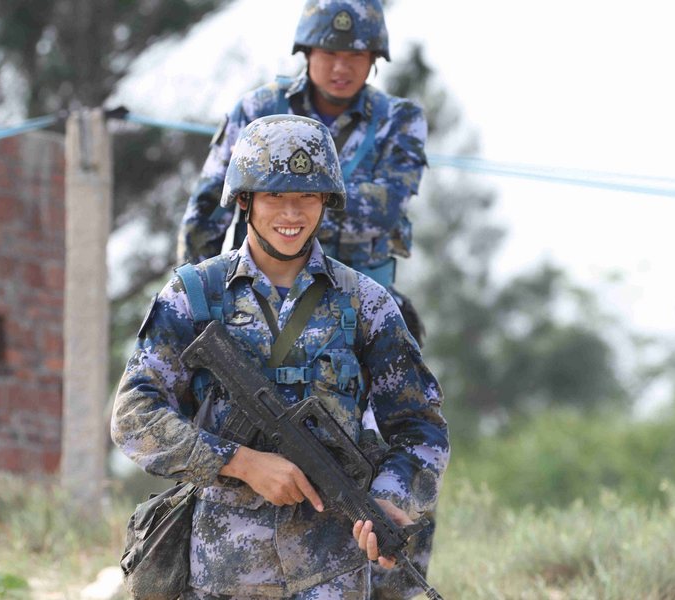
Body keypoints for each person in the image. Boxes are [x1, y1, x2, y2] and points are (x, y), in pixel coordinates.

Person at [113, 115, 448, 599]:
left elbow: (422, 428)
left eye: (307, 197)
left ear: (326, 202)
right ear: (244, 200)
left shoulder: (366, 303)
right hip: (221, 574)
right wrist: (241, 462)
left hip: (332, 574)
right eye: (273, 196)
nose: (291, 213)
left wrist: (388, 499)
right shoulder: (194, 296)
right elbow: (133, 418)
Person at [177, 0, 429, 347]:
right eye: (329, 53)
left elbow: (383, 214)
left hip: (356, 305)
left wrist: (273, 193)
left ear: (374, 58)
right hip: (253, 299)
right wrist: (197, 301)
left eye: (355, 56)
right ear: (307, 51)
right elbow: (209, 207)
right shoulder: (259, 109)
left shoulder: (398, 120)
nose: (341, 67)